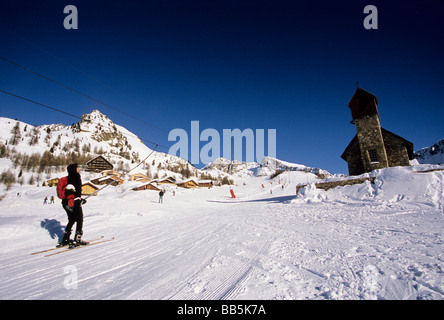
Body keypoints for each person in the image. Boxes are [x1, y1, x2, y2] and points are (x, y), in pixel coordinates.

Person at [60, 163, 87, 246]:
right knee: (79, 219)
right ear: (74, 170)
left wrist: (79, 199)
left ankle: (65, 238)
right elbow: (71, 192)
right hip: (72, 202)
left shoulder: (71, 178)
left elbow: (74, 192)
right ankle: (77, 238)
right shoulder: (74, 178)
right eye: (77, 168)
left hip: (66, 202)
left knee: (71, 219)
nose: (78, 169)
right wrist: (76, 201)